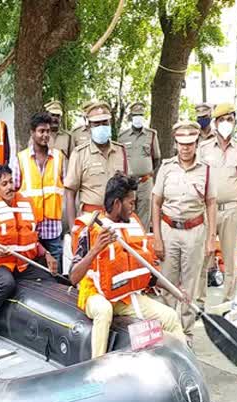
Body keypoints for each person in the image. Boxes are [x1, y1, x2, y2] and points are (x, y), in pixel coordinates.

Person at [69, 173, 185, 359]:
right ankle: (97, 365)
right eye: (130, 203)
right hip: (95, 295)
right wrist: (95, 249)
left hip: (124, 297)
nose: (134, 208)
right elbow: (73, 276)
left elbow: (147, 271)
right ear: (116, 204)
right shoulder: (91, 230)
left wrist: (175, 290)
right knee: (104, 311)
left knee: (170, 316)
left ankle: (182, 364)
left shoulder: (131, 227)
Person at [0, 165, 58, 346]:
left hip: (22, 265)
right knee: (7, 283)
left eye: (11, 181)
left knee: (48, 277)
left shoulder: (25, 205)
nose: (9, 187)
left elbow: (32, 241)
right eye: (4, 184)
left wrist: (48, 254)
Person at [152, 121, 217, 342]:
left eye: (189, 144)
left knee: (190, 286)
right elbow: (155, 201)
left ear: (196, 143)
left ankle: (186, 333)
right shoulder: (166, 167)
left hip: (194, 231)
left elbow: (211, 204)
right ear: (176, 144)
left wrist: (211, 239)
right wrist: (157, 237)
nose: (185, 148)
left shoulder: (206, 170)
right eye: (181, 144)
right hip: (169, 229)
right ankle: (169, 332)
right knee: (168, 284)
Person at [198, 102, 237, 304]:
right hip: (207, 211)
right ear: (215, 122)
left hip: (232, 210)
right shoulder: (204, 148)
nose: (225, 123)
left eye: (229, 119)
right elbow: (197, 179)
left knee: (230, 260)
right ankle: (199, 303)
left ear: (234, 122)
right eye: (221, 120)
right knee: (203, 258)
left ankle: (228, 302)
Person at [11, 112, 66, 271]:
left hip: (53, 229)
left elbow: (65, 187)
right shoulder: (20, 159)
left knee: (56, 274)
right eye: (41, 131)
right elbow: (13, 193)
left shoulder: (58, 157)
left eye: (48, 131)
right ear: (32, 132)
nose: (45, 135)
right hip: (29, 228)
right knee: (31, 274)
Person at [64, 101, 129, 231]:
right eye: (97, 124)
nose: (101, 126)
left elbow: (128, 189)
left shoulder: (120, 151)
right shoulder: (79, 154)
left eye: (105, 123)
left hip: (117, 221)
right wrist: (73, 229)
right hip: (91, 220)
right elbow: (70, 193)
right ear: (89, 127)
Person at [118, 101, 160, 230]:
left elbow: (156, 158)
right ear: (131, 117)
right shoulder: (122, 136)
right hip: (129, 183)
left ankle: (143, 241)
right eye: (136, 115)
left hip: (145, 182)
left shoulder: (151, 134)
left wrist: (147, 172)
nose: (138, 118)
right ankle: (130, 241)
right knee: (128, 212)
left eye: (140, 115)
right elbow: (120, 158)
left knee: (145, 214)